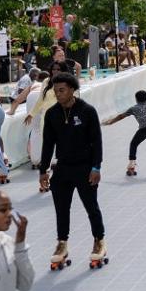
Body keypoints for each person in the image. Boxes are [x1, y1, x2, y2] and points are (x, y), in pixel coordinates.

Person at [39, 73, 107, 270]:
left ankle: (99, 240)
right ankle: (62, 244)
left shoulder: (87, 111)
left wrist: (96, 167)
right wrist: (43, 170)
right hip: (62, 168)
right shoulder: (52, 114)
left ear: (72, 89)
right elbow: (48, 144)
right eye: (55, 91)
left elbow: (97, 142)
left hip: (85, 167)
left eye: (62, 90)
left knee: (91, 207)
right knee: (61, 208)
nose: (58, 94)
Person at [103, 90, 146, 175]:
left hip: (143, 130)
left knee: (134, 144)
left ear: (136, 99)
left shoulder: (133, 108)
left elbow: (121, 116)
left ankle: (131, 167)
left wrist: (111, 122)